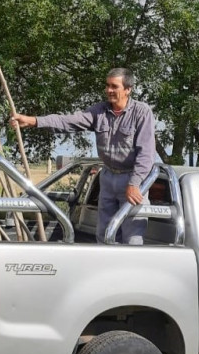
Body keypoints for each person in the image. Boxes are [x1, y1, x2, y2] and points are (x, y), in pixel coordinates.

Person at [11, 68, 156, 244]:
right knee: (104, 235)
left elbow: (146, 154)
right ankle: (108, 268)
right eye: (107, 85)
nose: (109, 90)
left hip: (132, 179)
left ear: (128, 89)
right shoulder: (99, 111)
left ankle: (133, 270)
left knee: (132, 237)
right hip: (108, 177)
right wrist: (34, 121)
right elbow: (68, 121)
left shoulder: (141, 112)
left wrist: (135, 183)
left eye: (114, 86)